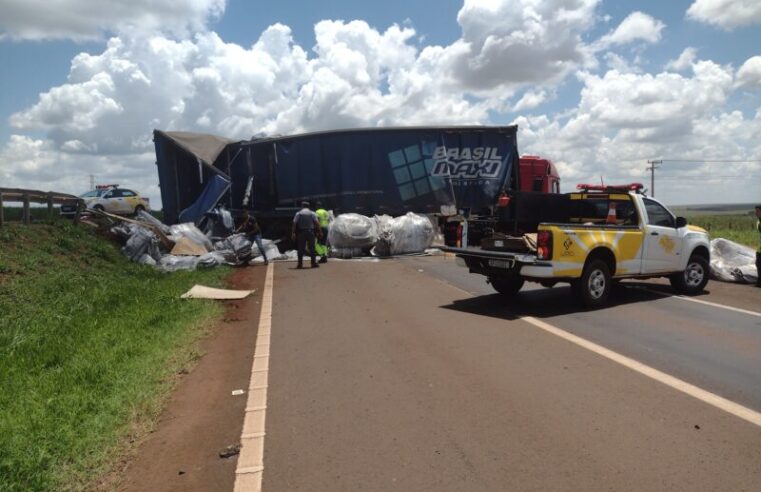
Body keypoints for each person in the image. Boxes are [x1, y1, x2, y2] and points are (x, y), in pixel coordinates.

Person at [292, 201, 321, 269]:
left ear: (302, 206)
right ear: (308, 206)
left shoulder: (298, 213)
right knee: (312, 248)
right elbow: (317, 223)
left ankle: (300, 264)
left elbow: (294, 223)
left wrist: (293, 233)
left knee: (301, 248)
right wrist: (320, 231)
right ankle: (313, 263)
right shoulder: (312, 213)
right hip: (310, 232)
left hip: (301, 232)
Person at [755, 205, 761, 287]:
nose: (756, 213)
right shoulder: (759, 221)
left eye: (758, 211)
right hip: (759, 249)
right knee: (758, 264)